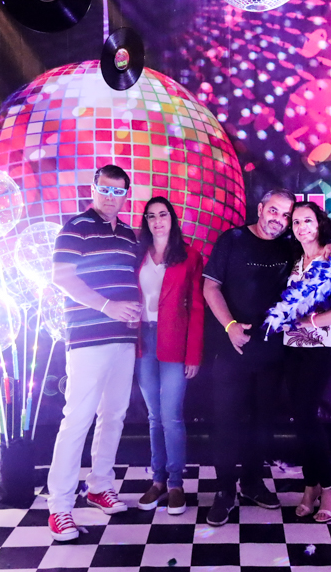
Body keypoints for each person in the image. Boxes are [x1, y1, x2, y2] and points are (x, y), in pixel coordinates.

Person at [47, 164, 142, 541]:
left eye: (118, 191)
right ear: (93, 188)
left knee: (114, 414)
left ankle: (100, 485)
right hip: (88, 338)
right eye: (105, 188)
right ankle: (59, 507)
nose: (110, 196)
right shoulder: (76, 227)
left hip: (123, 338)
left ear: (126, 195)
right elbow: (61, 277)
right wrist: (107, 307)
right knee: (77, 419)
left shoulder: (130, 234)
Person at [202, 189, 296, 526]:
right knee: (226, 421)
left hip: (272, 352)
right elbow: (210, 287)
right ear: (260, 208)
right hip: (233, 349)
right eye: (274, 211)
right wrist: (230, 326)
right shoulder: (233, 239)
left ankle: (253, 483)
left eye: (286, 215)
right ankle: (225, 490)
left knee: (263, 423)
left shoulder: (290, 246)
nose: (279, 219)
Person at [269, 201, 331, 522]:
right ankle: (311, 486)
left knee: (306, 415)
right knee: (300, 417)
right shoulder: (296, 260)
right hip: (292, 346)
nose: (301, 228)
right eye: (296, 222)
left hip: (321, 347)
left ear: (319, 223)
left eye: (307, 221)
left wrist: (308, 322)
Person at [135, 196, 204, 515]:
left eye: (163, 215)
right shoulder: (137, 254)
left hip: (176, 341)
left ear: (172, 219)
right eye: (151, 216)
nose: (157, 221)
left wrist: (194, 354)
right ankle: (158, 480)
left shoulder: (189, 256)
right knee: (153, 416)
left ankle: (176, 483)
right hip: (143, 340)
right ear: (146, 221)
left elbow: (198, 308)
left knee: (171, 416)